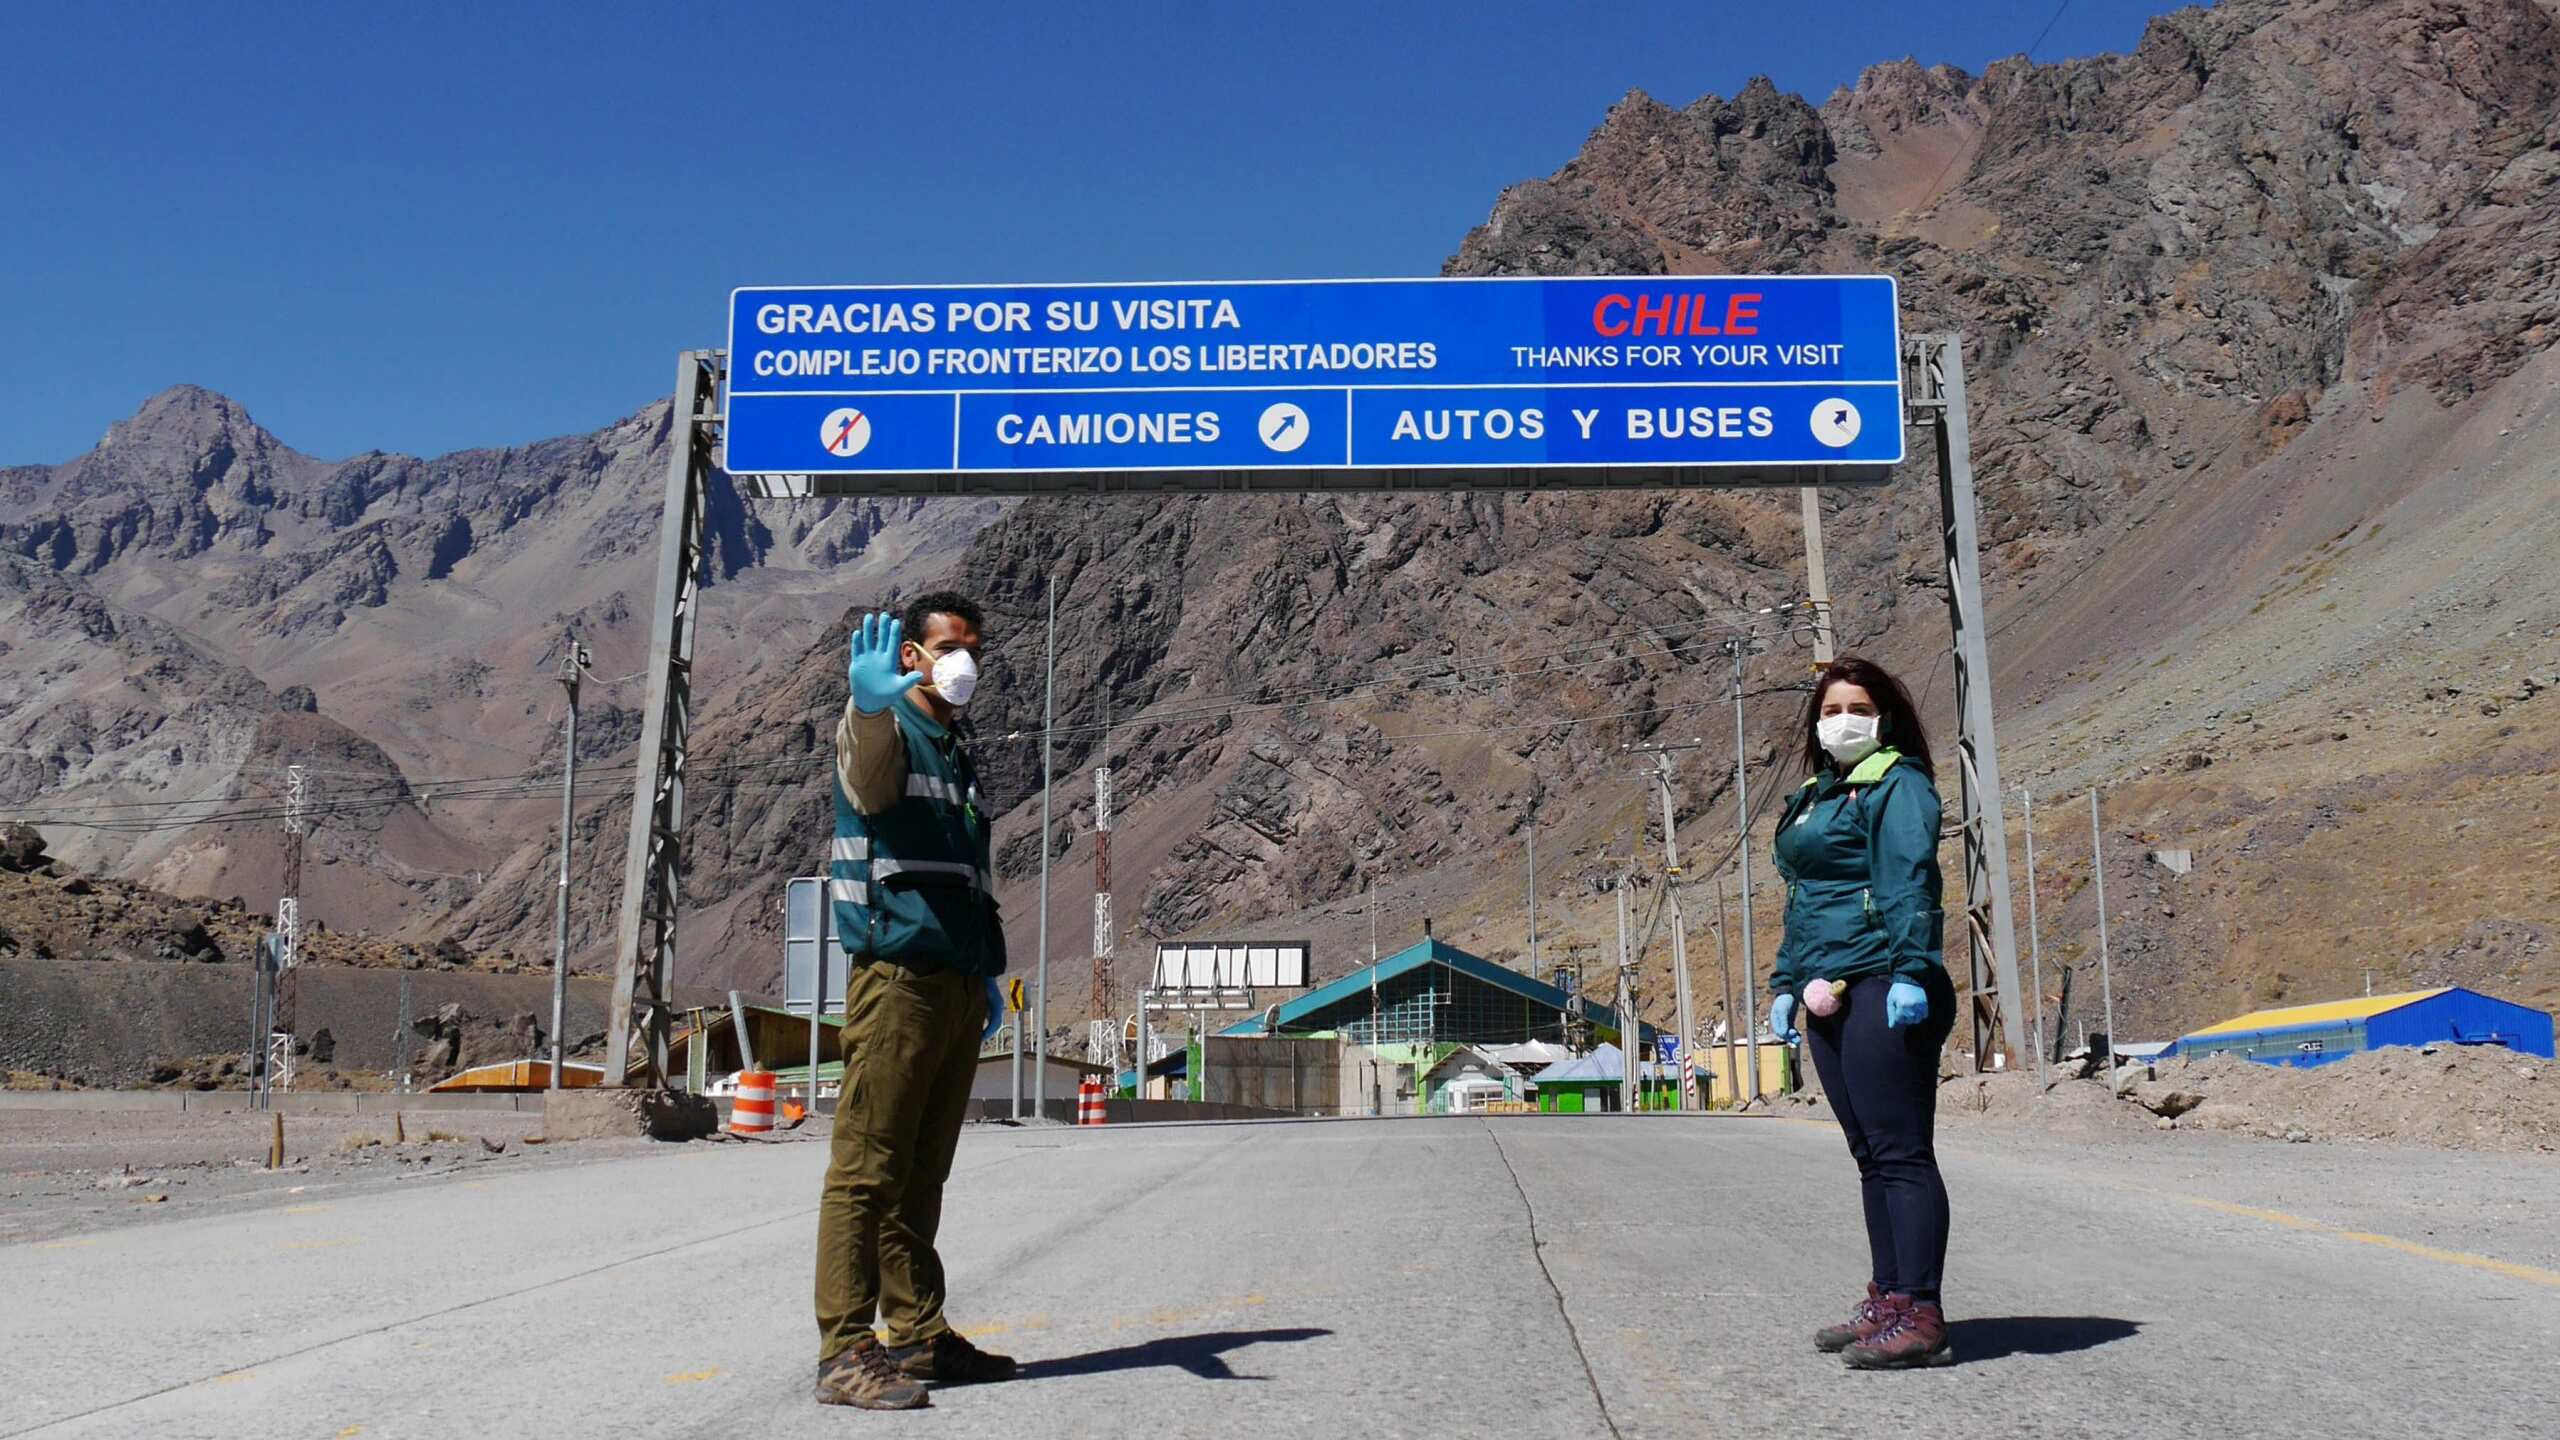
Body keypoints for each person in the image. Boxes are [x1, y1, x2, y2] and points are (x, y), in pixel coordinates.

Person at [813, 591, 1017, 1410]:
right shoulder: (890, 729)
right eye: (945, 645)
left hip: (957, 983)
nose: (961, 659)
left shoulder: (954, 748)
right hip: (898, 983)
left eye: (972, 646)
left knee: (923, 1173)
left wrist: (986, 974)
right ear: (909, 656)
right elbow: (864, 780)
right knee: (867, 1171)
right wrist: (866, 705)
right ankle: (845, 1350)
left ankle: (919, 1333)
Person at [1766, 654, 1959, 1369]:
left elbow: (1909, 880)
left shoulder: (1898, 785)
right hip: (1829, 988)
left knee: (1902, 1153)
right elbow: (1805, 900)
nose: (1842, 720)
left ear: (1885, 718)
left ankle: (1922, 1313)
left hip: (1884, 983)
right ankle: (1888, 1300)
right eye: (1830, 710)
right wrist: (1786, 981)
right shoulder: (1817, 795)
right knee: (1869, 1155)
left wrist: (1912, 969)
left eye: (1857, 708)